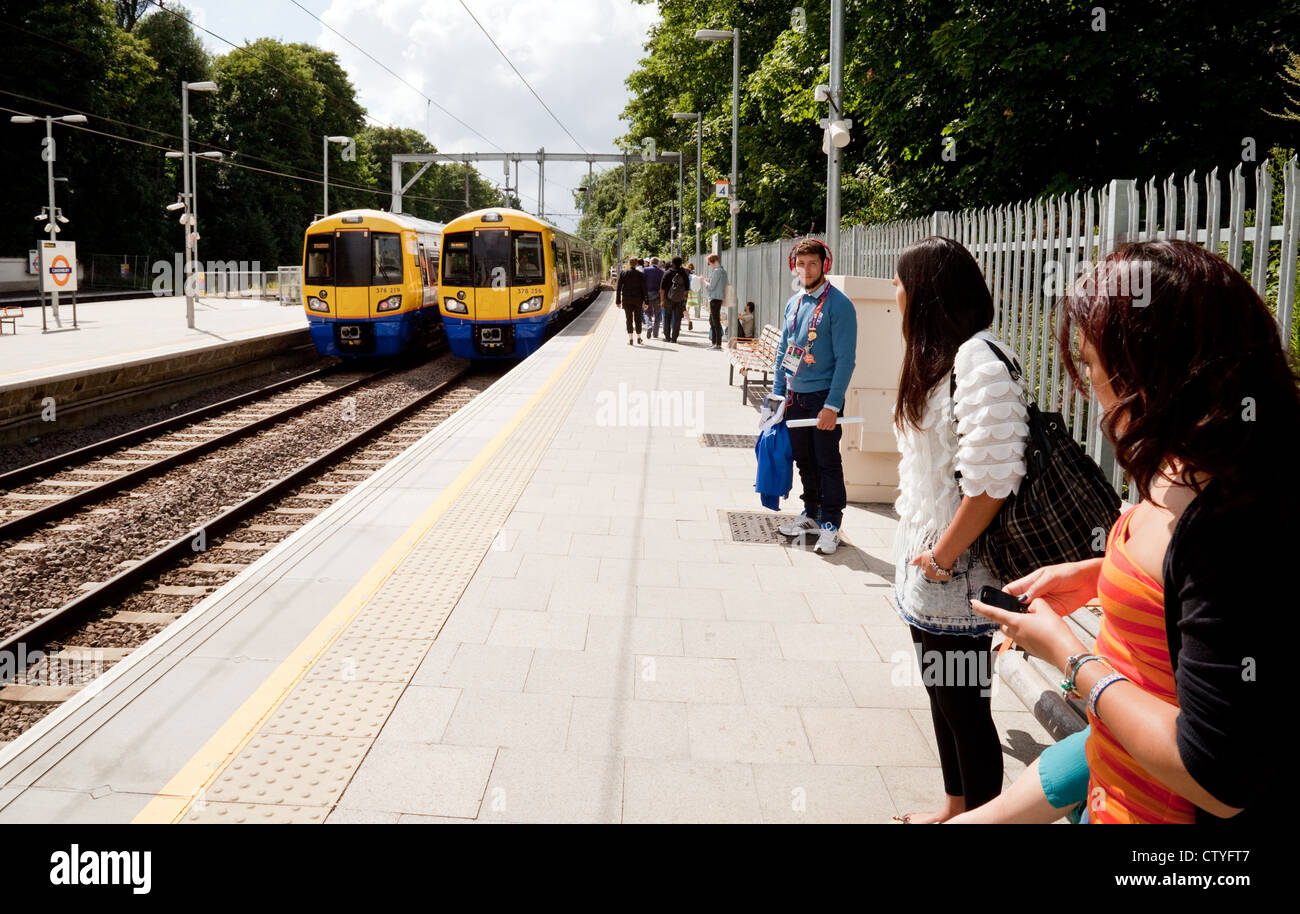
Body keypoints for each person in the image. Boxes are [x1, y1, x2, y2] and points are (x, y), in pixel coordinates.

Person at [971, 239, 1294, 824]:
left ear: (1153, 375)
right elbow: (1179, 622)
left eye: (1093, 370)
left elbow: (1216, 775)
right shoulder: (1186, 465)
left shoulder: (1233, 527)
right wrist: (1100, 576)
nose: (1091, 394)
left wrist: (1070, 658)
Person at [888, 235, 1029, 824]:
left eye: (902, 283)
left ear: (928, 294)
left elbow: (992, 483)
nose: (895, 293)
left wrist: (944, 556)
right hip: (930, 559)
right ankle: (955, 807)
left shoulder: (978, 361)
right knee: (940, 695)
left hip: (960, 566)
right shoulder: (940, 357)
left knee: (966, 706)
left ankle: (981, 817)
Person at [772, 238, 857, 556]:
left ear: (825, 264)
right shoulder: (794, 303)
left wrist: (832, 405)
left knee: (827, 462)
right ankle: (811, 514)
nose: (805, 269)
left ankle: (832, 524)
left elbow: (846, 359)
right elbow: (785, 349)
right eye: (800, 264)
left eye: (812, 263)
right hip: (795, 396)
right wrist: (778, 394)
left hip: (822, 397)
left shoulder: (840, 305)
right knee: (804, 461)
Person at [615, 256, 647, 345]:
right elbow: (644, 289)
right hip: (638, 300)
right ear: (637, 264)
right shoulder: (640, 274)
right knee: (638, 319)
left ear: (629, 263)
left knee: (629, 319)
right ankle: (639, 338)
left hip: (626, 299)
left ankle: (630, 339)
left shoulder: (623, 273)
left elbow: (619, 288)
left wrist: (618, 301)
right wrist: (646, 301)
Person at [660, 256, 691, 343]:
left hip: (668, 299)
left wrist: (662, 300)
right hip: (679, 300)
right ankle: (674, 338)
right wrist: (684, 301)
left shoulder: (667, 273)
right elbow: (686, 290)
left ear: (672, 263)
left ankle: (667, 337)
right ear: (681, 264)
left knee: (667, 317)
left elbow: (662, 289)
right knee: (678, 318)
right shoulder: (684, 274)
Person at [704, 253, 728, 350]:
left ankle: (717, 344)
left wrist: (704, 281)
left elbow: (711, 286)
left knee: (715, 321)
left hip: (714, 298)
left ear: (713, 262)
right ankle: (715, 342)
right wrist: (709, 280)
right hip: (719, 297)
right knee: (712, 320)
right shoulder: (723, 271)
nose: (709, 266)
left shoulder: (717, 271)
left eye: (709, 263)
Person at [642, 257, 664, 339]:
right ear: (658, 263)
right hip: (657, 296)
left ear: (650, 262)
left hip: (647, 295)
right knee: (658, 314)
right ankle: (655, 333)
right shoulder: (661, 272)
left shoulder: (645, 270)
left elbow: (642, 282)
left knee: (647, 312)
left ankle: (648, 325)